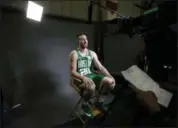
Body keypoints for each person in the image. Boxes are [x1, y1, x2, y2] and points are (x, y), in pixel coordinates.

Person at [69, 32, 116, 117]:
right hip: (80, 78)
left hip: (92, 75)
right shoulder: (74, 53)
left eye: (86, 39)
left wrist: (110, 76)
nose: (85, 41)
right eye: (82, 39)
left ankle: (99, 102)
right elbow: (73, 72)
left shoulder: (92, 53)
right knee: (91, 87)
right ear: (78, 41)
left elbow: (100, 67)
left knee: (109, 81)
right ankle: (85, 103)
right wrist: (83, 78)